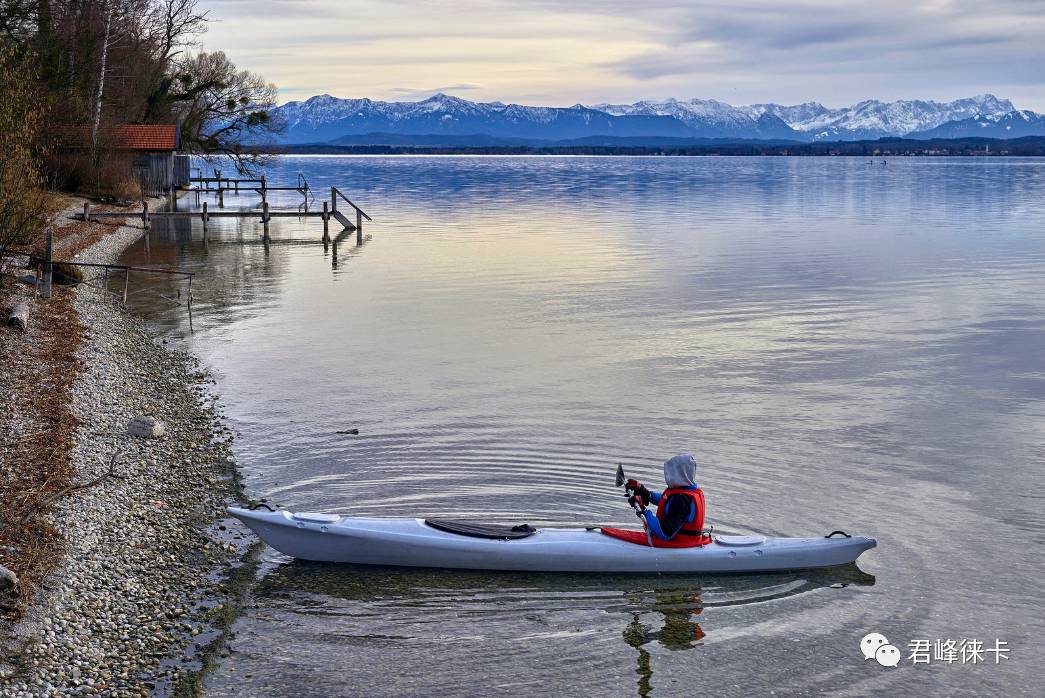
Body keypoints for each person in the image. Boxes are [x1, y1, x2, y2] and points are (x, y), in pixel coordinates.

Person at [625, 454, 708, 547]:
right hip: (692, 542)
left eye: (670, 473)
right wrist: (646, 494)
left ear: (679, 474)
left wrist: (643, 510)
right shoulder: (689, 490)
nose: (667, 476)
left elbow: (665, 532)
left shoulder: (682, 500)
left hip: (680, 545)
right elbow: (667, 501)